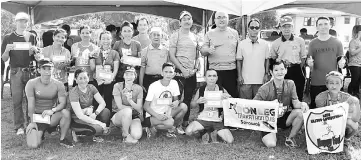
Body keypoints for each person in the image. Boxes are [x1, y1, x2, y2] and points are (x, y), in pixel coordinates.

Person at [254, 60, 309, 148]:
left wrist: (303, 104)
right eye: (276, 70)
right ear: (271, 72)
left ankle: (290, 139)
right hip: (268, 120)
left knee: (300, 112)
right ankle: (266, 132)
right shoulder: (264, 88)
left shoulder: (290, 84)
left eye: (282, 69)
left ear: (286, 70)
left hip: (284, 117)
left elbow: (295, 103)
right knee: (271, 144)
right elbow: (254, 105)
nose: (280, 72)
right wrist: (270, 105)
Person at [1, 12, 38, 135]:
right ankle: (19, 126)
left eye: (26, 21)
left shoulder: (31, 36)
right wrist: (7, 50)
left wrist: (35, 52)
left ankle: (29, 124)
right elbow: (4, 59)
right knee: (17, 100)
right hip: (15, 71)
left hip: (29, 71)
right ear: (16, 22)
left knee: (30, 99)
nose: (24, 23)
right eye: (21, 21)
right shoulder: (8, 37)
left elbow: (35, 57)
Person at [25, 59, 74, 148]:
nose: (47, 72)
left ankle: (63, 139)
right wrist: (32, 122)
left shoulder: (59, 84)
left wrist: (52, 110)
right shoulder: (31, 83)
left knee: (65, 113)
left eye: (49, 68)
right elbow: (30, 104)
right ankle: (40, 132)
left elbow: (63, 103)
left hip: (50, 116)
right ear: (39, 70)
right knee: (33, 145)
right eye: (44, 69)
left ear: (53, 70)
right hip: (37, 116)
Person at [315, 71, 360, 153]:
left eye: (337, 83)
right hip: (326, 124)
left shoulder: (347, 98)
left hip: (341, 124)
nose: (334, 86)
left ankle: (345, 140)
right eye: (331, 83)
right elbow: (320, 117)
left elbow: (356, 119)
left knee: (354, 125)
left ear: (342, 84)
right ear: (326, 84)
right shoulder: (320, 97)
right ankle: (326, 141)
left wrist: (357, 103)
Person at [169, 11, 200, 127]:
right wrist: (182, 69)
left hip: (191, 72)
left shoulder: (195, 36)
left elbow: (198, 56)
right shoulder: (175, 35)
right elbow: (171, 56)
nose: (187, 21)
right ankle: (172, 122)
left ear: (192, 21)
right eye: (184, 19)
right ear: (180, 22)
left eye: (189, 18)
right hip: (178, 71)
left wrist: (195, 69)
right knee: (176, 98)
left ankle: (185, 122)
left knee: (188, 97)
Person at [185, 69, 233, 143]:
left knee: (230, 140)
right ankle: (204, 132)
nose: (212, 78)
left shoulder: (221, 89)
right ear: (205, 78)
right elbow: (192, 105)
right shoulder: (201, 90)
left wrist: (228, 98)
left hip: (217, 120)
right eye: (209, 76)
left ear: (217, 78)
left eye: (214, 76)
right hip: (203, 119)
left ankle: (213, 133)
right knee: (188, 132)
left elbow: (232, 103)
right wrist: (197, 101)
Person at [307, 17, 345, 109]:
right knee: (316, 107)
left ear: (330, 26)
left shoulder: (337, 42)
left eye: (325, 24)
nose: (323, 27)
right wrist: (309, 63)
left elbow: (341, 59)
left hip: (333, 82)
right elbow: (309, 60)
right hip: (317, 81)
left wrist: (342, 63)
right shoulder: (312, 43)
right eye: (320, 24)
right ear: (317, 27)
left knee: (334, 108)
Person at [143, 63, 188, 138]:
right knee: (170, 123)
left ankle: (171, 129)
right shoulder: (154, 86)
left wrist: (176, 102)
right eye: (166, 72)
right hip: (154, 114)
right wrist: (158, 116)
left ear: (174, 74)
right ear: (162, 73)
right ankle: (152, 127)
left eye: (170, 72)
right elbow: (146, 106)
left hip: (167, 112)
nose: (168, 74)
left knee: (184, 107)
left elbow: (176, 100)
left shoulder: (174, 83)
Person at [201, 11, 239, 98]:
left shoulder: (234, 33)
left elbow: (239, 52)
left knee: (231, 97)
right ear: (215, 20)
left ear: (228, 19)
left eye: (224, 17)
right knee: (215, 98)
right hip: (215, 71)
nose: (221, 19)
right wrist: (208, 50)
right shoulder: (209, 33)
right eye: (219, 17)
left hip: (231, 71)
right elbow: (203, 51)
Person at [271, 16, 306, 102]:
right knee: (282, 95)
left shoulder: (300, 41)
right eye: (284, 26)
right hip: (282, 71)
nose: (286, 29)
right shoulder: (276, 43)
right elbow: (273, 58)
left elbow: (303, 57)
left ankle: (297, 112)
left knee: (298, 94)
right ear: (280, 28)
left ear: (292, 27)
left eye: (289, 26)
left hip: (296, 69)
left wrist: (296, 66)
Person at [69, 68, 110, 143]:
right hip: (77, 118)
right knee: (99, 128)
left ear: (88, 78)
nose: (83, 81)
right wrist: (99, 123)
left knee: (106, 112)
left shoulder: (91, 87)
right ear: (76, 79)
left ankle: (96, 135)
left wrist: (95, 113)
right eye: (80, 78)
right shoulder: (74, 92)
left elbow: (102, 103)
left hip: (89, 114)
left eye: (85, 78)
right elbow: (80, 115)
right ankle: (76, 131)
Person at [237, 18, 270, 99]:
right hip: (245, 81)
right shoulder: (242, 44)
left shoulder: (265, 44)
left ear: (259, 29)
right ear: (248, 29)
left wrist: (266, 74)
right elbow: (239, 61)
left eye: (256, 27)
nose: (254, 29)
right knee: (245, 105)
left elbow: (267, 60)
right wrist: (239, 76)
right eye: (252, 27)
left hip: (260, 80)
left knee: (259, 105)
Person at [111, 67, 143, 143]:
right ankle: (125, 135)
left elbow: (139, 107)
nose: (129, 77)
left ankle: (126, 128)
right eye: (127, 74)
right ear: (123, 76)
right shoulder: (117, 86)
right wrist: (133, 108)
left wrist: (130, 100)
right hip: (119, 115)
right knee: (127, 111)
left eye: (131, 74)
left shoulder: (139, 88)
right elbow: (120, 106)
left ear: (135, 76)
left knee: (137, 136)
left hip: (133, 116)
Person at [93, 31, 119, 116]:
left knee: (108, 100)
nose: (106, 41)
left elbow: (115, 69)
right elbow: (93, 68)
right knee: (96, 100)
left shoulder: (114, 53)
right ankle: (96, 118)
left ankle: (107, 120)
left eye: (108, 38)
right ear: (100, 40)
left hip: (109, 81)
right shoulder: (95, 52)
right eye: (103, 38)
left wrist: (111, 79)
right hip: (97, 80)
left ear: (111, 40)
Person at [347, 25, 361, 97]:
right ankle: (349, 91)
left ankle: (356, 93)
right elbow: (352, 53)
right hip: (354, 64)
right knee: (355, 79)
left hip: (359, 63)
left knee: (358, 80)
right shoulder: (353, 41)